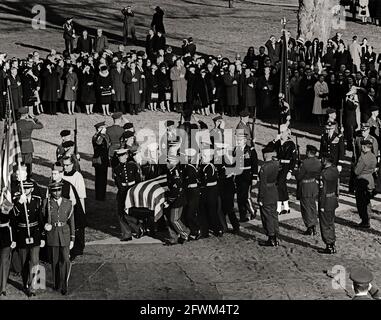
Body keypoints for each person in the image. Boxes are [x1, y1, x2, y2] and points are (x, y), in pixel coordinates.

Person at [11, 181, 45, 297]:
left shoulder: (37, 201)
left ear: (31, 189)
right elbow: (14, 217)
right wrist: (20, 203)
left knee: (35, 261)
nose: (24, 190)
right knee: (24, 262)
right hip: (22, 235)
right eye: (23, 188)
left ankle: (33, 287)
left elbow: (40, 219)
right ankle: (26, 282)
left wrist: (43, 236)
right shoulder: (17, 200)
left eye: (27, 188)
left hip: (35, 234)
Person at [44, 181, 74, 295]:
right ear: (51, 192)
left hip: (65, 234)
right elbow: (43, 218)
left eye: (59, 190)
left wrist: (72, 238)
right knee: (54, 261)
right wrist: (45, 226)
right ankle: (57, 283)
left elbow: (72, 222)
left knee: (66, 260)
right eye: (54, 190)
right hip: (52, 234)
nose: (57, 193)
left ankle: (64, 285)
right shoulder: (47, 203)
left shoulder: (68, 203)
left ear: (62, 190)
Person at [113, 148, 142, 241]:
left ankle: (138, 226)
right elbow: (118, 183)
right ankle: (127, 234)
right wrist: (124, 193)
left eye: (123, 155)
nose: (121, 158)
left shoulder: (132, 166)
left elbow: (138, 180)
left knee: (132, 212)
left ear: (126, 156)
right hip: (122, 193)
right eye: (119, 156)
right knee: (121, 213)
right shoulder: (116, 169)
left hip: (133, 191)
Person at [62, 156, 86, 260]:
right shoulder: (61, 175)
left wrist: (82, 212)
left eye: (67, 165)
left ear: (72, 164)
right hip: (63, 207)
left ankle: (76, 249)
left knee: (75, 227)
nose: (65, 167)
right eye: (64, 165)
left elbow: (81, 196)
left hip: (75, 206)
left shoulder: (77, 176)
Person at [163, 154, 191, 245]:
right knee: (174, 219)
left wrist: (168, 201)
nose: (166, 163)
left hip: (177, 200)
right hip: (176, 198)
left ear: (173, 163)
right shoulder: (171, 171)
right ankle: (179, 235)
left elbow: (176, 190)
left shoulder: (176, 174)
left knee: (174, 219)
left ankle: (185, 233)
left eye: (168, 162)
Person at [295, 145, 321, 236]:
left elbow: (299, 176)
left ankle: (310, 227)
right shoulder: (318, 162)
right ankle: (314, 224)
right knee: (312, 206)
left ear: (308, 152)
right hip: (313, 185)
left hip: (305, 186)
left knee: (305, 208)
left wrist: (297, 169)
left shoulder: (305, 163)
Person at [258, 143, 280, 247]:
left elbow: (262, 185)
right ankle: (275, 235)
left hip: (266, 193)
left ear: (266, 155)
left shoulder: (264, 167)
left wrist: (260, 197)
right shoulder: (276, 164)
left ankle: (271, 237)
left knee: (267, 216)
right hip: (274, 191)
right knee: (274, 214)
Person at [234, 132, 258, 222]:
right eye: (237, 140)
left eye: (240, 140)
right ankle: (242, 216)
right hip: (238, 176)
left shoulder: (250, 150)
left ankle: (252, 210)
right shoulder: (235, 150)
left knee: (245, 196)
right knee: (240, 197)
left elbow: (255, 164)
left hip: (247, 175)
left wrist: (254, 177)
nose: (238, 142)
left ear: (244, 140)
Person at [318, 156, 339, 254]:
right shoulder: (334, 170)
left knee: (325, 224)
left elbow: (323, 190)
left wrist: (322, 205)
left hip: (326, 200)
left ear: (325, 161)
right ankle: (332, 242)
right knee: (330, 222)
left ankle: (329, 245)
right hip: (333, 198)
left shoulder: (324, 174)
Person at [274, 124, 297, 215]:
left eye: (283, 132)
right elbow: (269, 149)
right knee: (282, 186)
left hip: (286, 167)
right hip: (279, 166)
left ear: (286, 133)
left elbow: (294, 159)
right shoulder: (278, 142)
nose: (281, 134)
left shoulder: (291, 144)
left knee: (279, 184)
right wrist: (274, 140)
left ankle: (279, 207)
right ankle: (286, 207)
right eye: (280, 132)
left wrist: (290, 171)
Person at [354, 139, 377, 229]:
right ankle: (367, 219)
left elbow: (357, 171)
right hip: (370, 179)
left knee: (361, 202)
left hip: (362, 180)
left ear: (364, 147)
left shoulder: (363, 158)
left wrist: (354, 166)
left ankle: (365, 221)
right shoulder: (373, 156)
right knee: (367, 201)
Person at [16, 107, 44, 179]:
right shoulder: (30, 123)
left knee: (19, 162)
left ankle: (20, 176)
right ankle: (28, 176)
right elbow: (41, 126)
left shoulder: (16, 123)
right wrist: (35, 119)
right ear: (26, 114)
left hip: (19, 145)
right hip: (28, 145)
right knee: (28, 163)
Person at [181, 148, 201, 240]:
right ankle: (193, 230)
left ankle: (196, 230)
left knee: (190, 213)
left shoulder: (189, 168)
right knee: (188, 213)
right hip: (190, 192)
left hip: (193, 192)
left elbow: (187, 181)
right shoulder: (188, 167)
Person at [92, 121, 110, 201]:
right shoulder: (96, 136)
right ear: (99, 129)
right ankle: (99, 196)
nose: (105, 129)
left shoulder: (102, 136)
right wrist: (102, 134)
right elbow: (98, 143)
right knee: (99, 179)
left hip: (104, 159)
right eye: (103, 127)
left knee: (103, 179)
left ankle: (102, 196)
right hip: (99, 160)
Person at [0, 206, 15, 296]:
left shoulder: (8, 202)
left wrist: (14, 239)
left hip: (5, 238)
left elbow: (13, 221)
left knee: (3, 262)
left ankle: (2, 288)